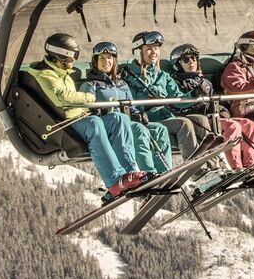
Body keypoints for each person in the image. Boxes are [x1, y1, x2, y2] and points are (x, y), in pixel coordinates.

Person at [27, 32, 148, 200]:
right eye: (71, 57)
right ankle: (114, 180)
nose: (73, 62)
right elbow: (62, 96)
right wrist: (90, 98)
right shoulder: (46, 75)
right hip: (64, 125)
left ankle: (130, 174)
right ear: (59, 57)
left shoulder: (61, 73)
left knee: (118, 119)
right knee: (94, 123)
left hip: (78, 118)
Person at [120, 30, 220, 162]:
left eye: (156, 48)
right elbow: (128, 100)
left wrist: (194, 94)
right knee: (183, 123)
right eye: (149, 49)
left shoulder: (163, 76)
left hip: (168, 116)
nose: (154, 52)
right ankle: (196, 170)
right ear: (138, 52)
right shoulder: (128, 75)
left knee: (200, 120)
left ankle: (214, 164)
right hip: (148, 119)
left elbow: (178, 100)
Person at [79, 41, 173, 176]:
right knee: (139, 130)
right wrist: (100, 111)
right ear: (95, 61)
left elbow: (131, 106)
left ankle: (164, 172)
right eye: (102, 58)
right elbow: (87, 109)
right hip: (111, 126)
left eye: (110, 58)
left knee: (159, 129)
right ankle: (148, 174)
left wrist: (137, 114)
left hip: (127, 122)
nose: (107, 61)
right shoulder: (91, 85)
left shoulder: (121, 84)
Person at [168, 42, 254, 171]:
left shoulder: (203, 81)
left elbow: (216, 100)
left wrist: (222, 111)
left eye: (194, 58)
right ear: (178, 64)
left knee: (249, 125)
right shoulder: (176, 82)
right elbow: (178, 104)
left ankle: (251, 166)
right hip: (199, 119)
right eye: (186, 60)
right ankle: (236, 167)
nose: (191, 62)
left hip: (214, 116)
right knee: (232, 127)